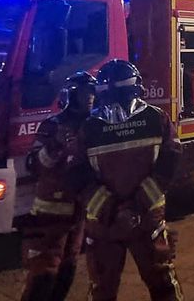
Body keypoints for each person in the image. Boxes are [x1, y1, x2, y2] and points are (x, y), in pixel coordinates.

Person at [82, 60, 184, 301]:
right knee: (164, 286)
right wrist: (135, 208)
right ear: (138, 89)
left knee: (102, 291)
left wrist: (113, 211)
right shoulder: (156, 118)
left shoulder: (89, 128)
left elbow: (78, 176)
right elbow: (168, 166)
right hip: (146, 222)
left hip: (104, 226)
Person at [21, 72, 97, 301]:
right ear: (71, 96)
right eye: (85, 94)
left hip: (78, 217)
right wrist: (56, 146)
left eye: (92, 93)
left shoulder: (93, 125)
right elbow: (33, 165)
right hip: (49, 217)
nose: (90, 99)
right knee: (43, 276)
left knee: (67, 271)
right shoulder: (52, 126)